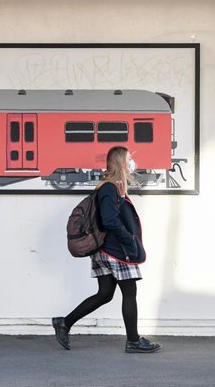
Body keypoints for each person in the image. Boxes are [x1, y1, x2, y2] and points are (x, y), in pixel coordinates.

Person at [52, 146, 162, 353]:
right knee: (130, 293)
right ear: (121, 162)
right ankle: (133, 341)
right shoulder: (109, 188)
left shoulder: (111, 188)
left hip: (106, 250)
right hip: (116, 250)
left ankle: (64, 323)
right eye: (129, 159)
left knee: (105, 293)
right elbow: (110, 221)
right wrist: (129, 240)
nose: (132, 163)